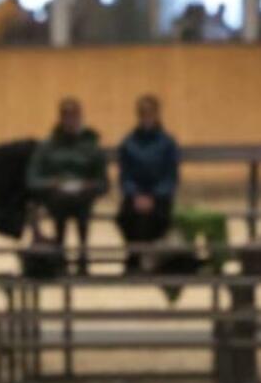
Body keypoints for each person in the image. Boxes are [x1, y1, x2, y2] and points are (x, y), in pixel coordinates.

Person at [26, 97, 109, 274]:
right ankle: (60, 253)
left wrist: (90, 185)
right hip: (56, 198)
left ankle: (82, 253)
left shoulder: (92, 146)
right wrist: (51, 183)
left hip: (83, 198)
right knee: (61, 201)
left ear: (81, 117)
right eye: (66, 116)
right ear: (60, 118)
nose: (70, 120)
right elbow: (32, 179)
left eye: (74, 116)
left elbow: (103, 182)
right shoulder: (47, 146)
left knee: (79, 204)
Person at [117, 94, 180, 273]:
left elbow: (171, 176)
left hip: (159, 197)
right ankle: (136, 257)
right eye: (143, 112)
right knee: (125, 216)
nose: (146, 116)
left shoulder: (167, 143)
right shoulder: (129, 142)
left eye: (150, 112)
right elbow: (125, 175)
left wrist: (154, 196)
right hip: (135, 196)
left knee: (152, 217)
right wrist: (135, 194)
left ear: (157, 114)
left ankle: (143, 259)